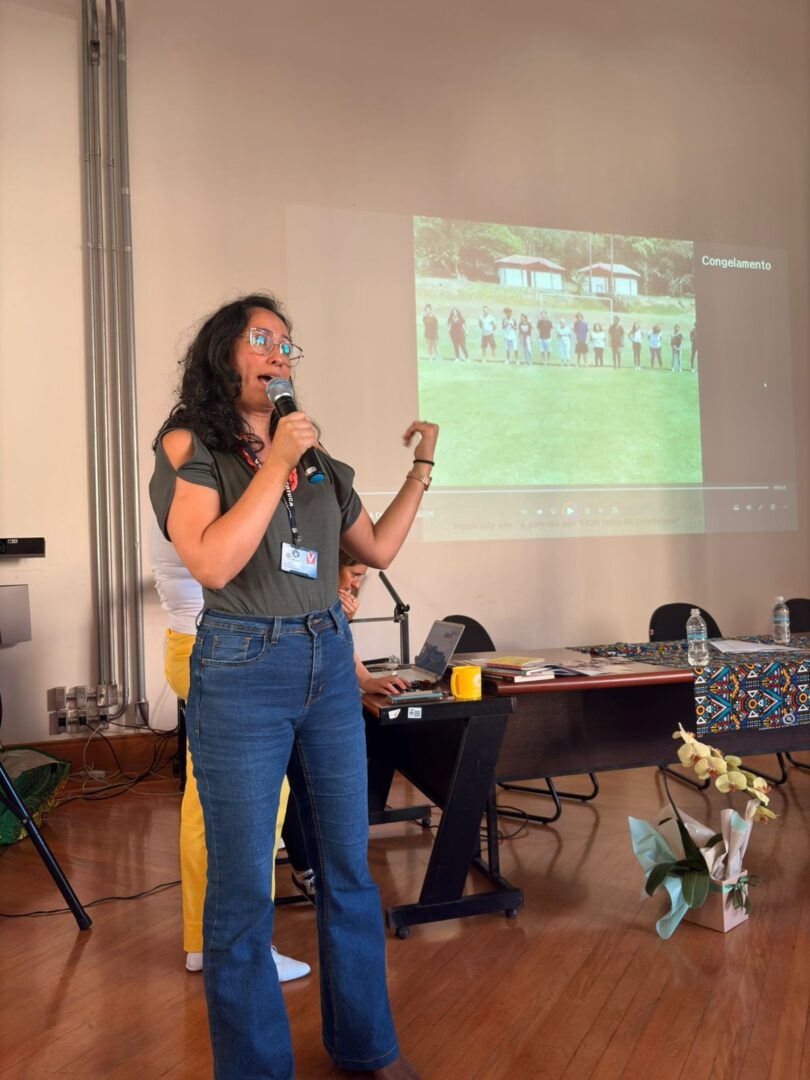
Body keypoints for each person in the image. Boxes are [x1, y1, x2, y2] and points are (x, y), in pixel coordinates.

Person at [150, 292, 433, 1080]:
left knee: (347, 866)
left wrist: (423, 466)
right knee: (243, 890)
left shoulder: (314, 457)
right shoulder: (188, 445)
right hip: (242, 667)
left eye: (287, 345)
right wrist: (272, 463)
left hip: (326, 660)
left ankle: (366, 1048)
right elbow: (211, 560)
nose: (278, 355)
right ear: (223, 355)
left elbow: (373, 548)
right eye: (261, 340)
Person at [150, 517, 313, 977]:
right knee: (256, 807)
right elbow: (255, 568)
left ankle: (207, 939)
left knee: (207, 805)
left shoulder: (177, 481)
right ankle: (244, 950)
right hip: (225, 648)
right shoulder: (205, 487)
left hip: (195, 644)